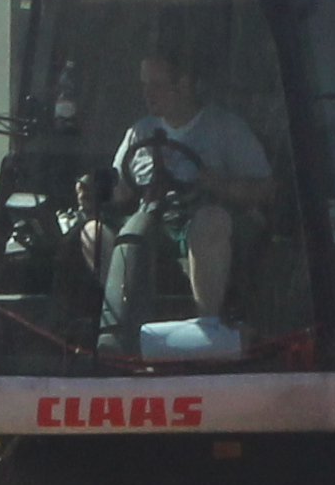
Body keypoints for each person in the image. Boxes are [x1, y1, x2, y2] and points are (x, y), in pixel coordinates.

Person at [101, 28, 276, 346]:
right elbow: (119, 190)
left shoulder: (226, 128)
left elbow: (266, 189)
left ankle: (207, 328)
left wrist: (220, 185)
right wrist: (94, 191)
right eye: (144, 85)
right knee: (93, 232)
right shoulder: (139, 132)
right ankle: (117, 325)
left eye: (155, 85)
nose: (147, 94)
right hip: (152, 226)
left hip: (208, 223)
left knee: (211, 220)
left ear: (184, 84)